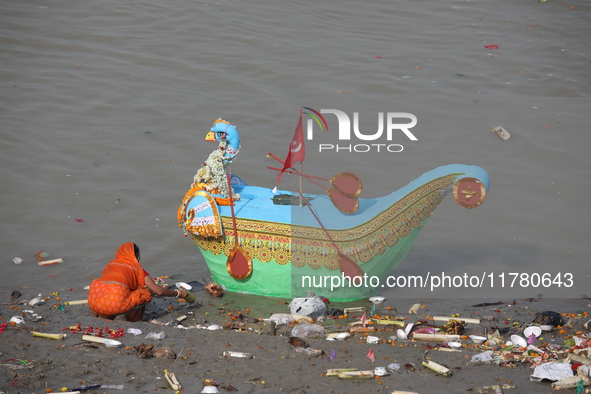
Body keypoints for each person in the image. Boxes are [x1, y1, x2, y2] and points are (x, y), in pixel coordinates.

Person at [88, 242, 195, 322]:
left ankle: (103, 316)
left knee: (113, 292)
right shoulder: (136, 268)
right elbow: (159, 291)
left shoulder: (110, 265)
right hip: (114, 305)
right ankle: (127, 318)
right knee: (146, 293)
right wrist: (181, 294)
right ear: (136, 256)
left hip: (93, 304)